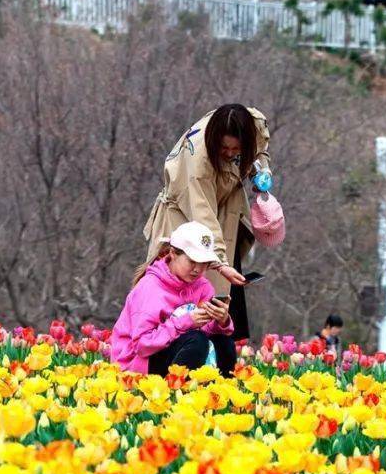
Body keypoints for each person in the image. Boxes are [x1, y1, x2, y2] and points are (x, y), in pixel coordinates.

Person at [144, 103, 271, 341]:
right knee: (180, 293)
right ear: (214, 141)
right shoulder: (198, 162)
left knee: (223, 302)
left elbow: (261, 148)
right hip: (184, 219)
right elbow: (203, 218)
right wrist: (220, 263)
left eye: (237, 148)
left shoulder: (253, 124)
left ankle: (221, 350)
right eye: (224, 148)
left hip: (226, 214)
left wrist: (261, 171)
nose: (231, 153)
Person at [111, 220, 237, 377]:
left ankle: (219, 395)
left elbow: (205, 332)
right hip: (138, 365)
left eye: (204, 263)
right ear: (173, 253)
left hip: (179, 352)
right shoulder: (150, 287)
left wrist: (221, 321)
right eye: (192, 261)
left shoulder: (203, 286)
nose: (198, 269)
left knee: (225, 343)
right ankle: (177, 395)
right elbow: (141, 345)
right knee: (196, 341)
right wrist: (185, 322)